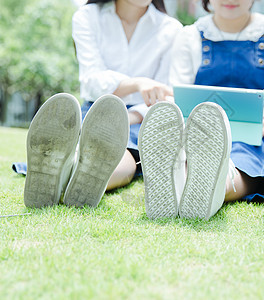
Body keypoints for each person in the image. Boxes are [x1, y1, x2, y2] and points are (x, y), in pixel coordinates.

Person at [138, 0, 264, 219]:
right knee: (197, 154)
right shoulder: (190, 35)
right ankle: (177, 182)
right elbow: (178, 94)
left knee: (242, 163)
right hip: (199, 133)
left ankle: (204, 190)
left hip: (255, 135)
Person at [23, 0, 182, 208]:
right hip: (94, 109)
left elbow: (166, 94)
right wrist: (137, 83)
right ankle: (64, 171)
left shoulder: (172, 29)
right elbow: (92, 81)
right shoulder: (87, 16)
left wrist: (127, 117)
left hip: (143, 117)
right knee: (89, 147)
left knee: (124, 154)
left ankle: (67, 177)